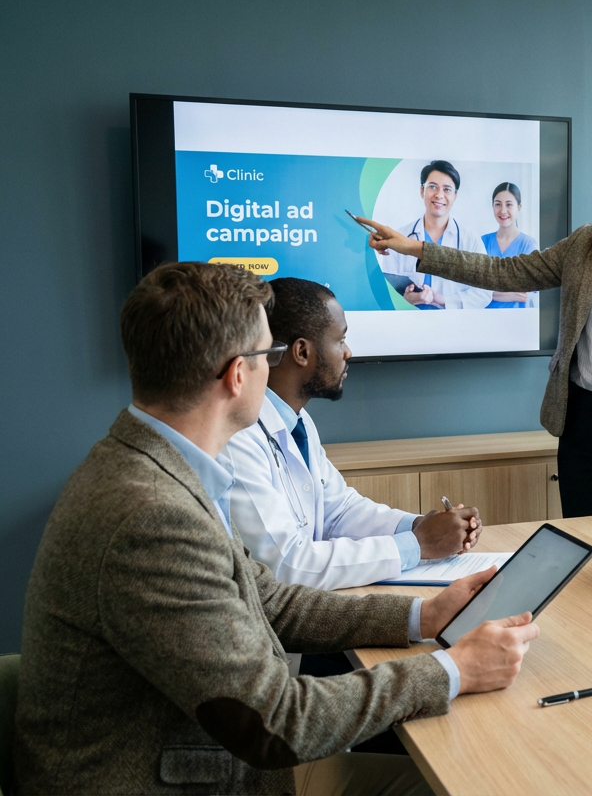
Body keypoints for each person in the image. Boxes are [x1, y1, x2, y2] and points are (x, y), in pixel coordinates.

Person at [15, 262, 539, 795]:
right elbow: (277, 720)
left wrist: (423, 614)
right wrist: (453, 671)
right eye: (268, 355)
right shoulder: (151, 516)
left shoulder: (160, 469)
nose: (274, 372)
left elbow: (266, 598)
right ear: (238, 375)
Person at [355, 134, 592, 516]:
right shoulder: (587, 244)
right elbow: (504, 271)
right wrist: (416, 249)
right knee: (588, 549)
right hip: (581, 423)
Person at [226, 277, 482, 591]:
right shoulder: (238, 437)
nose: (348, 352)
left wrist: (420, 526)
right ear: (302, 352)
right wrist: (418, 544)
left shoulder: (298, 422)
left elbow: (340, 511)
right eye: (340, 340)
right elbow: (286, 564)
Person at [375, 159, 492, 310]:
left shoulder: (470, 241)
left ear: (455, 196)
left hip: (454, 325)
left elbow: (485, 293)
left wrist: (444, 300)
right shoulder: (400, 237)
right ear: (422, 191)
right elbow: (387, 290)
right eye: (432, 187)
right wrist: (407, 299)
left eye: (447, 189)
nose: (439, 195)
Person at [481, 182, 539, 308]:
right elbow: (474, 290)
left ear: (519, 207)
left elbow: (525, 294)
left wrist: (491, 292)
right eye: (498, 204)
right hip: (484, 319)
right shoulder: (483, 242)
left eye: (509, 204)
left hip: (517, 320)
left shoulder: (528, 245)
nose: (503, 210)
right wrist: (509, 294)